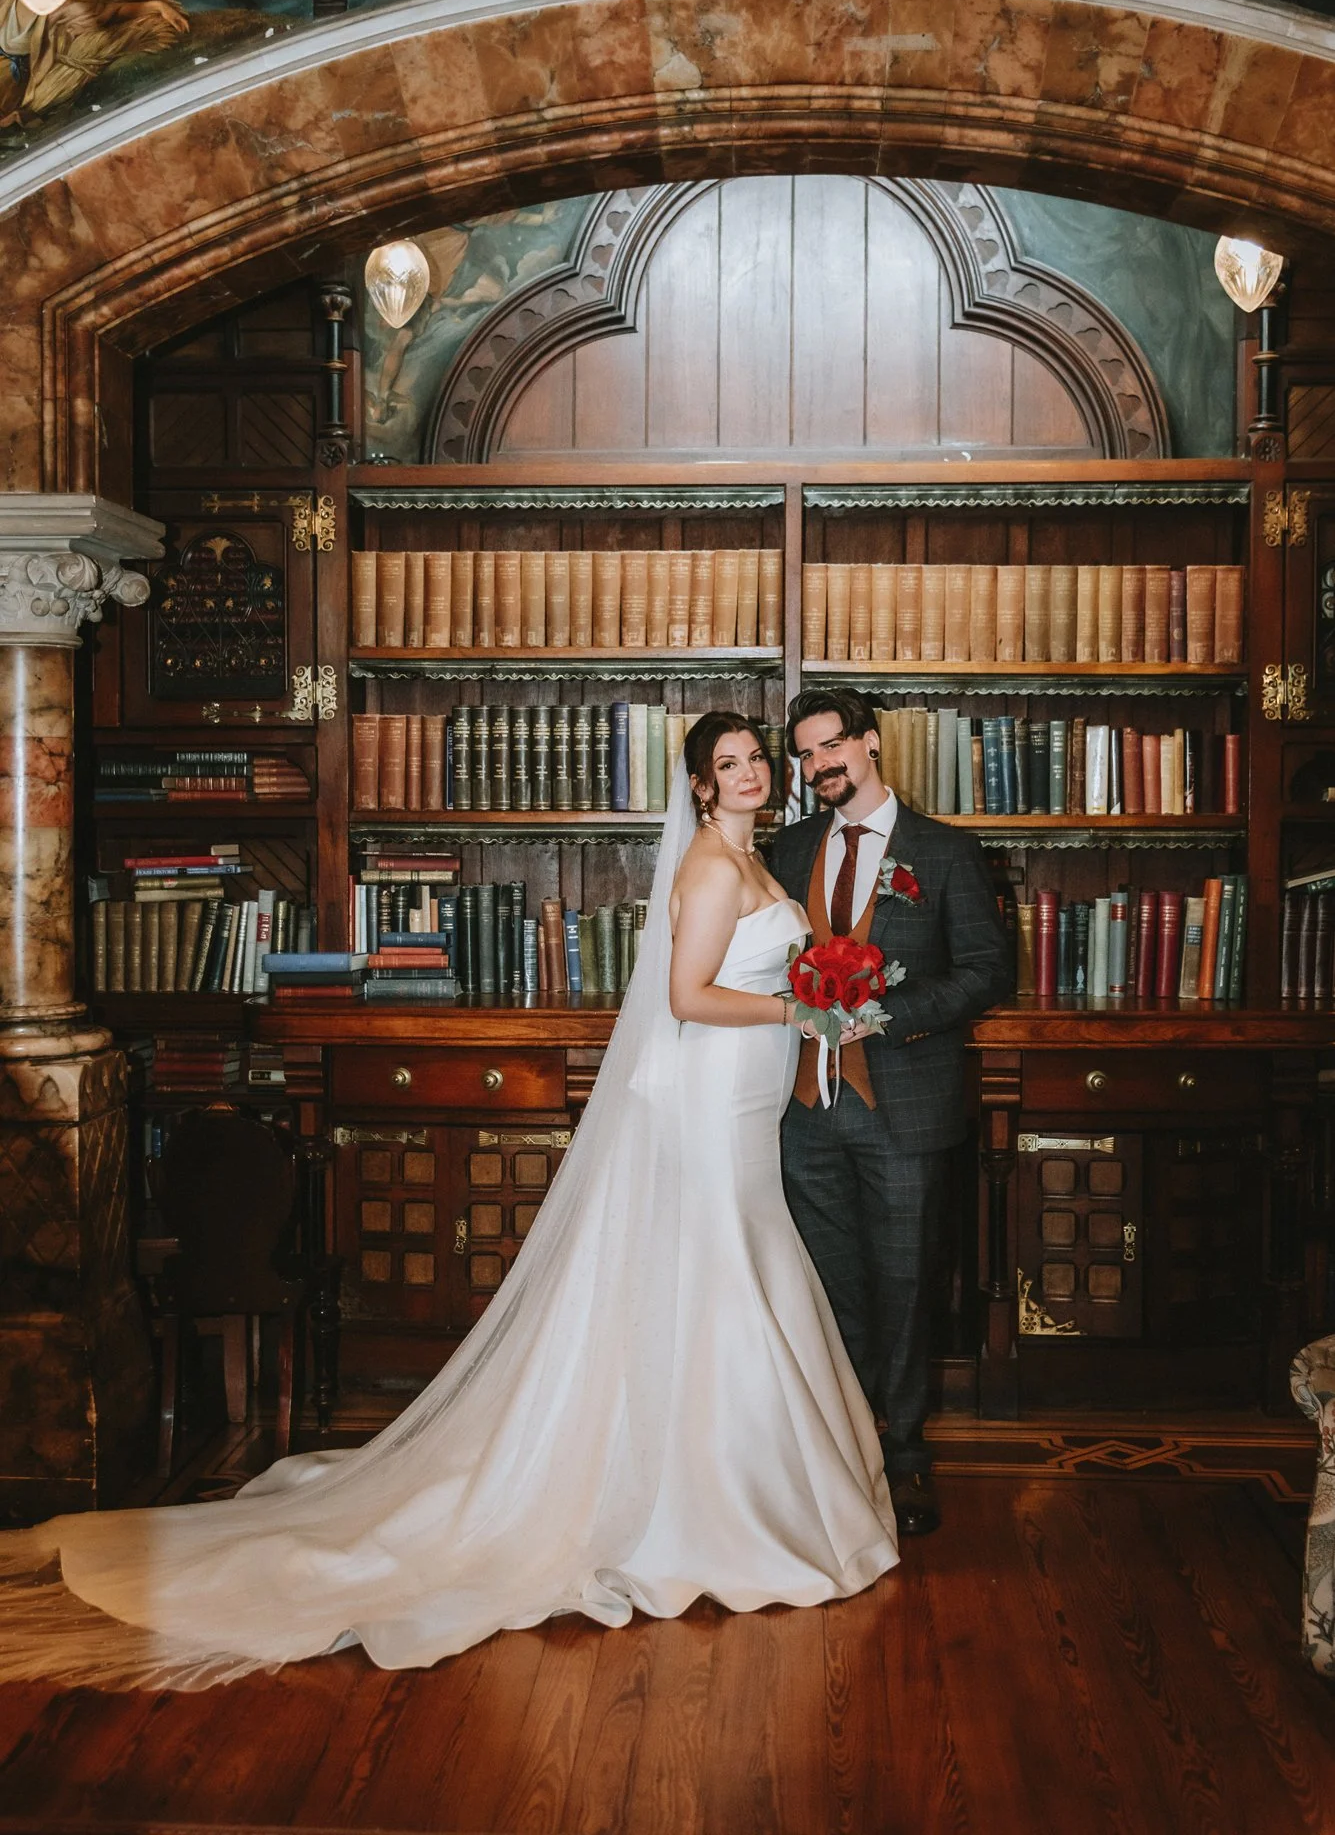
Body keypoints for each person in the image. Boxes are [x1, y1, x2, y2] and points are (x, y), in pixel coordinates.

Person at [0, 713, 897, 1690]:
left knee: (735, 1265)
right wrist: (800, 1008)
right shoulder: (716, 871)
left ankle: (733, 1489)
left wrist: (816, 994)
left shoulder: (758, 860)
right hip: (714, 1098)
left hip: (749, 1095)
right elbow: (686, 995)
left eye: (759, 759)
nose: (754, 773)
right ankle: (715, 1506)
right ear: (699, 788)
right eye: (730, 765)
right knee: (726, 1268)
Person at [768, 688, 1012, 1537]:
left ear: (869, 744)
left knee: (906, 1287)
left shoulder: (943, 854)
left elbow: (986, 971)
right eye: (802, 755)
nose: (816, 766)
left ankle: (903, 1455)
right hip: (803, 1112)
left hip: (904, 1108)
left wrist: (887, 1017)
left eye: (829, 747)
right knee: (829, 1288)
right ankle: (841, 1452)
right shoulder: (787, 846)